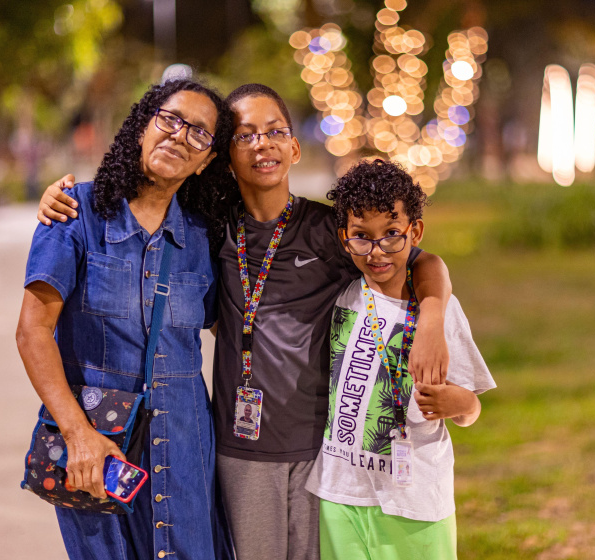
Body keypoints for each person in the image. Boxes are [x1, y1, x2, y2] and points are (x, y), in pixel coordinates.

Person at [36, 83, 452, 560]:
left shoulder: (328, 229)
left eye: (275, 131)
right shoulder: (207, 228)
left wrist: (433, 317)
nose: (262, 143)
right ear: (224, 157)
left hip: (321, 448)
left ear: (294, 147)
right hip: (240, 453)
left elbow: (419, 261)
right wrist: (63, 200)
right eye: (245, 135)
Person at [16, 78, 236, 560]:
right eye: (171, 120)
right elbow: (33, 332)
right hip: (97, 447)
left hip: (185, 448)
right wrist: (77, 434)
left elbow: (234, 325)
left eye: (199, 133)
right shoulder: (76, 214)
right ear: (143, 126)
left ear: (207, 161)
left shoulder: (204, 239)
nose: (180, 136)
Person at [306, 158, 496, 560]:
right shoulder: (343, 293)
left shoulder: (442, 311)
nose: (377, 251)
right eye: (362, 236)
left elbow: (472, 408)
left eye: (392, 234)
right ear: (344, 238)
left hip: (417, 501)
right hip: (340, 493)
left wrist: (457, 403)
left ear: (415, 232)